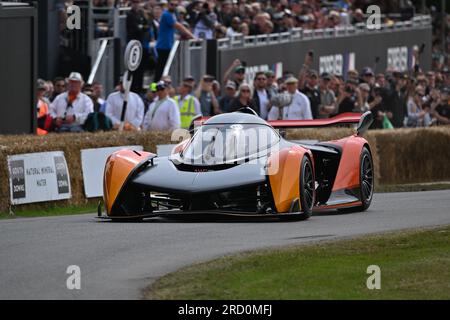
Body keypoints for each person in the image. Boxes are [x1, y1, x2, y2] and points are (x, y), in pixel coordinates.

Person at [154, 0, 195, 82]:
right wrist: (192, 36)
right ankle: (155, 90)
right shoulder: (166, 14)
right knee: (161, 70)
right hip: (163, 46)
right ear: (168, 4)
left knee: (165, 70)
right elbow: (178, 26)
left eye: (176, 5)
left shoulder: (172, 14)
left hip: (168, 45)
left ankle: (161, 89)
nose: (174, 6)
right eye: (172, 4)